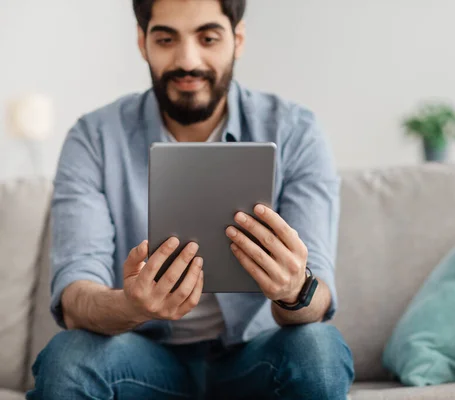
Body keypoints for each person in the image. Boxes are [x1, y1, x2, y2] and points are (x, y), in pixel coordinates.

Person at [26, 0, 355, 399]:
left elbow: (318, 299)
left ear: (237, 39)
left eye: (208, 37)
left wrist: (294, 289)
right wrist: (133, 306)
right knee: (68, 359)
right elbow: (76, 295)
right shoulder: (93, 137)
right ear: (142, 42)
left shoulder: (296, 131)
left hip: (255, 356)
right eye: (166, 39)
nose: (187, 60)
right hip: (145, 359)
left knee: (318, 351)